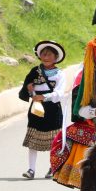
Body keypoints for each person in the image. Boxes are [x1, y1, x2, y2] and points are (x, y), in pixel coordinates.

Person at [19, 41, 68, 179]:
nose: (45, 56)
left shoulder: (60, 74)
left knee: (53, 141)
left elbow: (59, 93)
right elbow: (27, 87)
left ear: (55, 57)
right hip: (36, 108)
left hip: (52, 109)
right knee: (33, 139)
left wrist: (44, 97)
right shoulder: (34, 71)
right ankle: (31, 169)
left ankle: (53, 167)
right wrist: (30, 92)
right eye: (43, 54)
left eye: (49, 54)